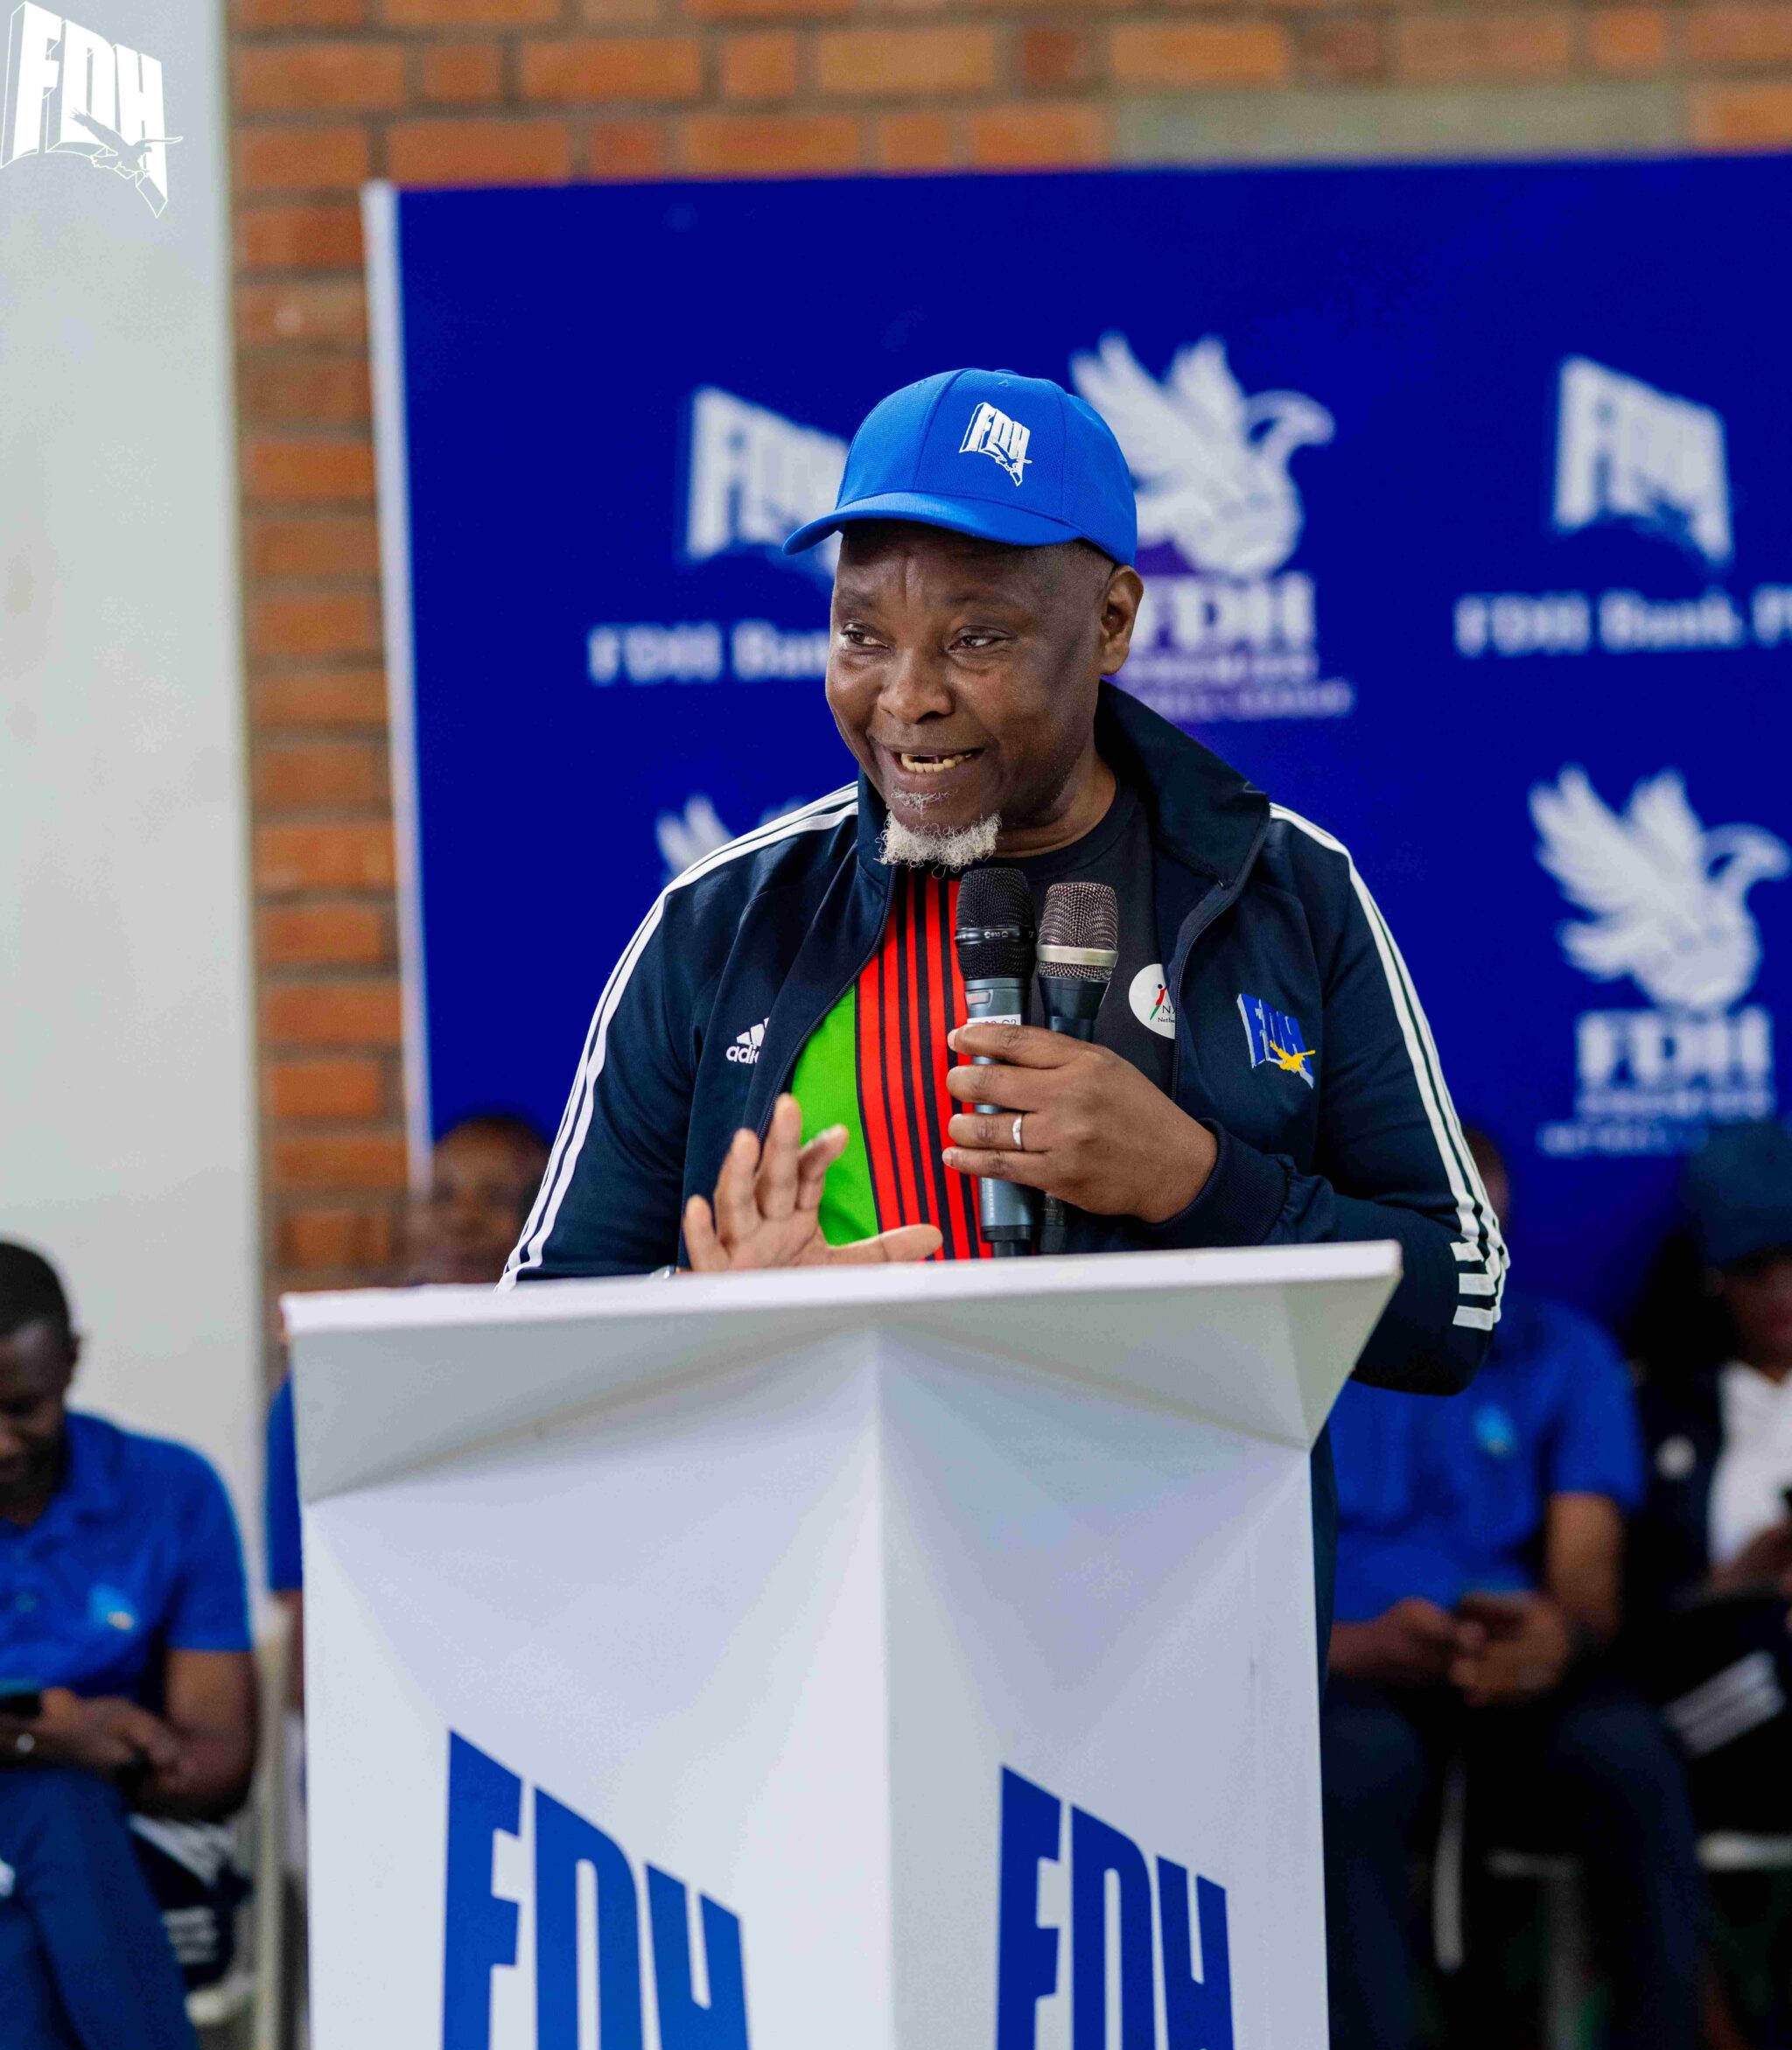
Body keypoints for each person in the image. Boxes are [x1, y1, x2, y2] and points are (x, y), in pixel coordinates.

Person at [502, 367, 1505, 1641]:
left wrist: (1197, 1181)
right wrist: (725, 1326)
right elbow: (536, 1359)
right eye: (861, 635)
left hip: (1190, 1660)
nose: (906, 696)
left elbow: (1456, 1310)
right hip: (829, 1652)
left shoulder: (1284, 892)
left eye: (975, 639)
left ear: (1113, 621)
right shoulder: (723, 926)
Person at [1320, 1134, 1706, 2050]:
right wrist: (1349, 1644)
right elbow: (1240, 1565)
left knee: (1631, 1757)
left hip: (1514, 1676)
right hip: (1354, 1669)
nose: (1461, 1254)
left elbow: (1587, 1578)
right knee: (1344, 1770)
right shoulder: (1300, 1350)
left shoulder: (1563, 1348)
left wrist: (1550, 1635)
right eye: (1435, 1229)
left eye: (1479, 1231)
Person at [0, 1243, 275, 2050]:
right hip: (78, 1840)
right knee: (47, 1805)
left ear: (72, 1361)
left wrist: (58, 1750)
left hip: (141, 1855)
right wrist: (59, 1739)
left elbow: (215, 1761)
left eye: (23, 1407)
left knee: (29, 1885)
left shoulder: (167, 1490)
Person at [264, 1113, 550, 1622]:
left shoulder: (576, 1363)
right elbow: (305, 1597)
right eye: (442, 1196)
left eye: (496, 1199)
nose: (462, 1220)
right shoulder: (330, 1370)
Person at [1628, 1120, 1792, 1831]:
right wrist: (1734, 1584)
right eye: (1755, 1266)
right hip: (1715, 1701)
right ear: (1715, 1277)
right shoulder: (1657, 1410)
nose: (1782, 1288)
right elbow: (1621, 1617)